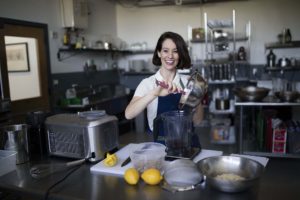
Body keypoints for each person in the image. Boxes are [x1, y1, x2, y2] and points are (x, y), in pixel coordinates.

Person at [125, 31, 204, 143]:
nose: (170, 56)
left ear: (180, 54)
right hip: (162, 146)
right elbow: (128, 114)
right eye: (165, 51)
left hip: (189, 144)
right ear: (159, 53)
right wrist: (153, 94)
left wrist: (197, 97)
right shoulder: (148, 83)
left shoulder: (187, 81)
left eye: (175, 51)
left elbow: (197, 121)